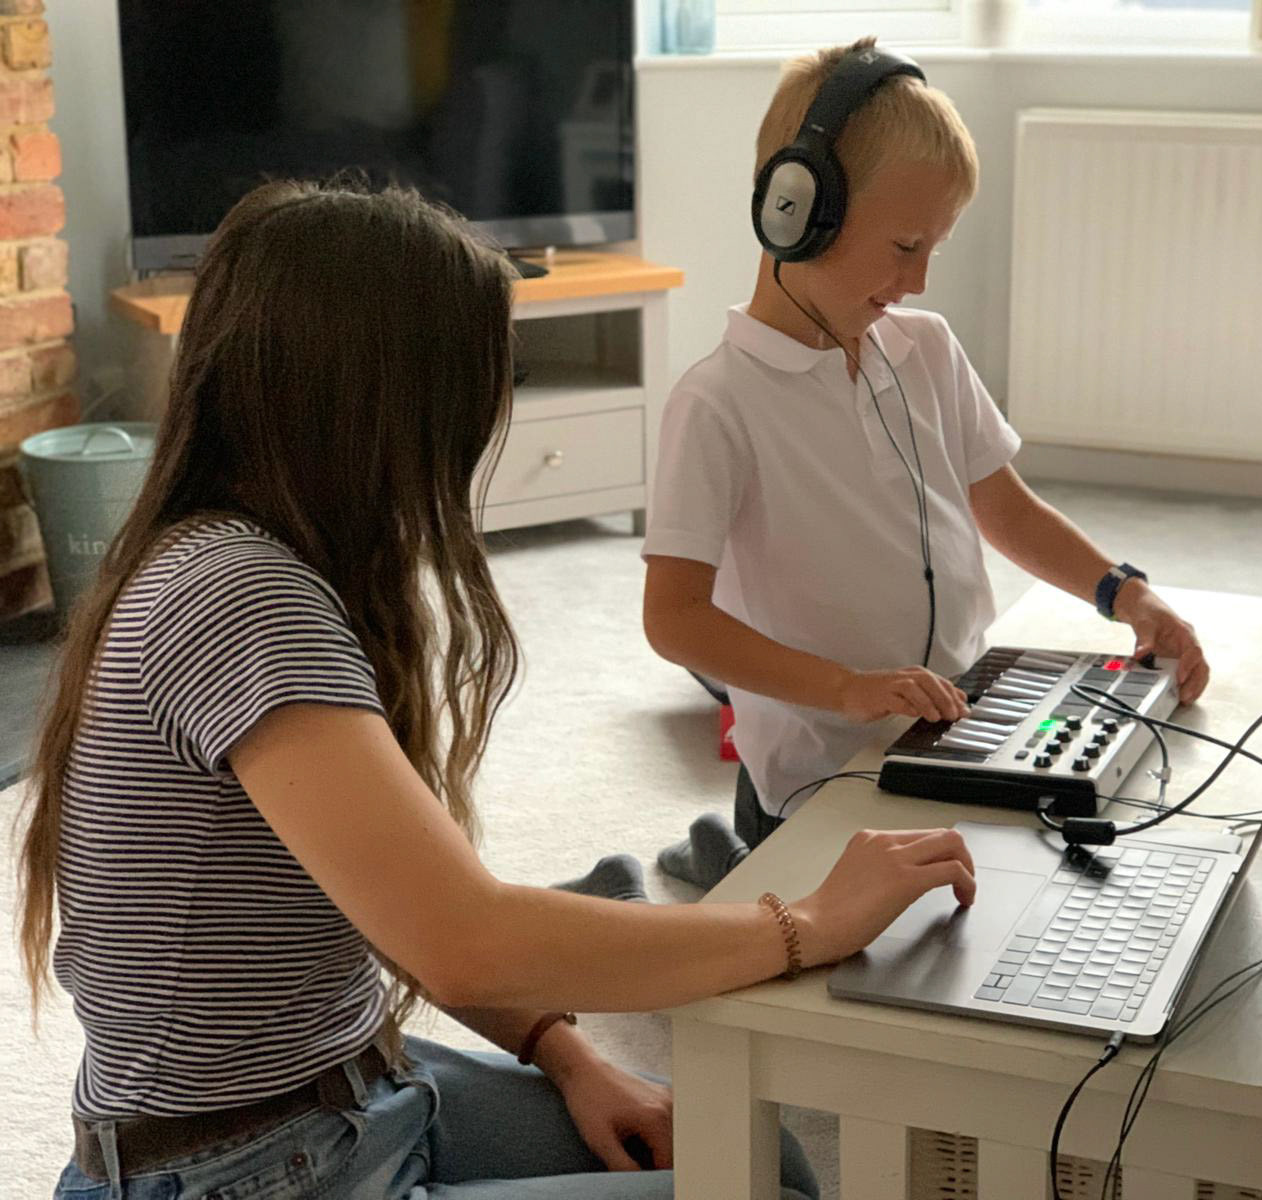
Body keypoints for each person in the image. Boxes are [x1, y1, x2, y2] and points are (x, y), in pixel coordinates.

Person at [12, 179, 978, 1200]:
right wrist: (805, 925)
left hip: (347, 1089)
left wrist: (567, 1050)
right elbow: (466, 940)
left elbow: (405, 912)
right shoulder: (240, 595)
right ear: (381, 400)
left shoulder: (249, 561)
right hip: (245, 1170)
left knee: (752, 1153)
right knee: (762, 1190)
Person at [645, 39, 1210, 891]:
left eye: (934, 248)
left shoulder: (925, 350)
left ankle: (716, 854)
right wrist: (846, 689)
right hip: (817, 775)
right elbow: (675, 620)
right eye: (905, 244)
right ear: (796, 210)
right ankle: (713, 857)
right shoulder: (718, 402)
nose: (918, 279)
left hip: (946, 725)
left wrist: (1125, 593)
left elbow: (1005, 507)